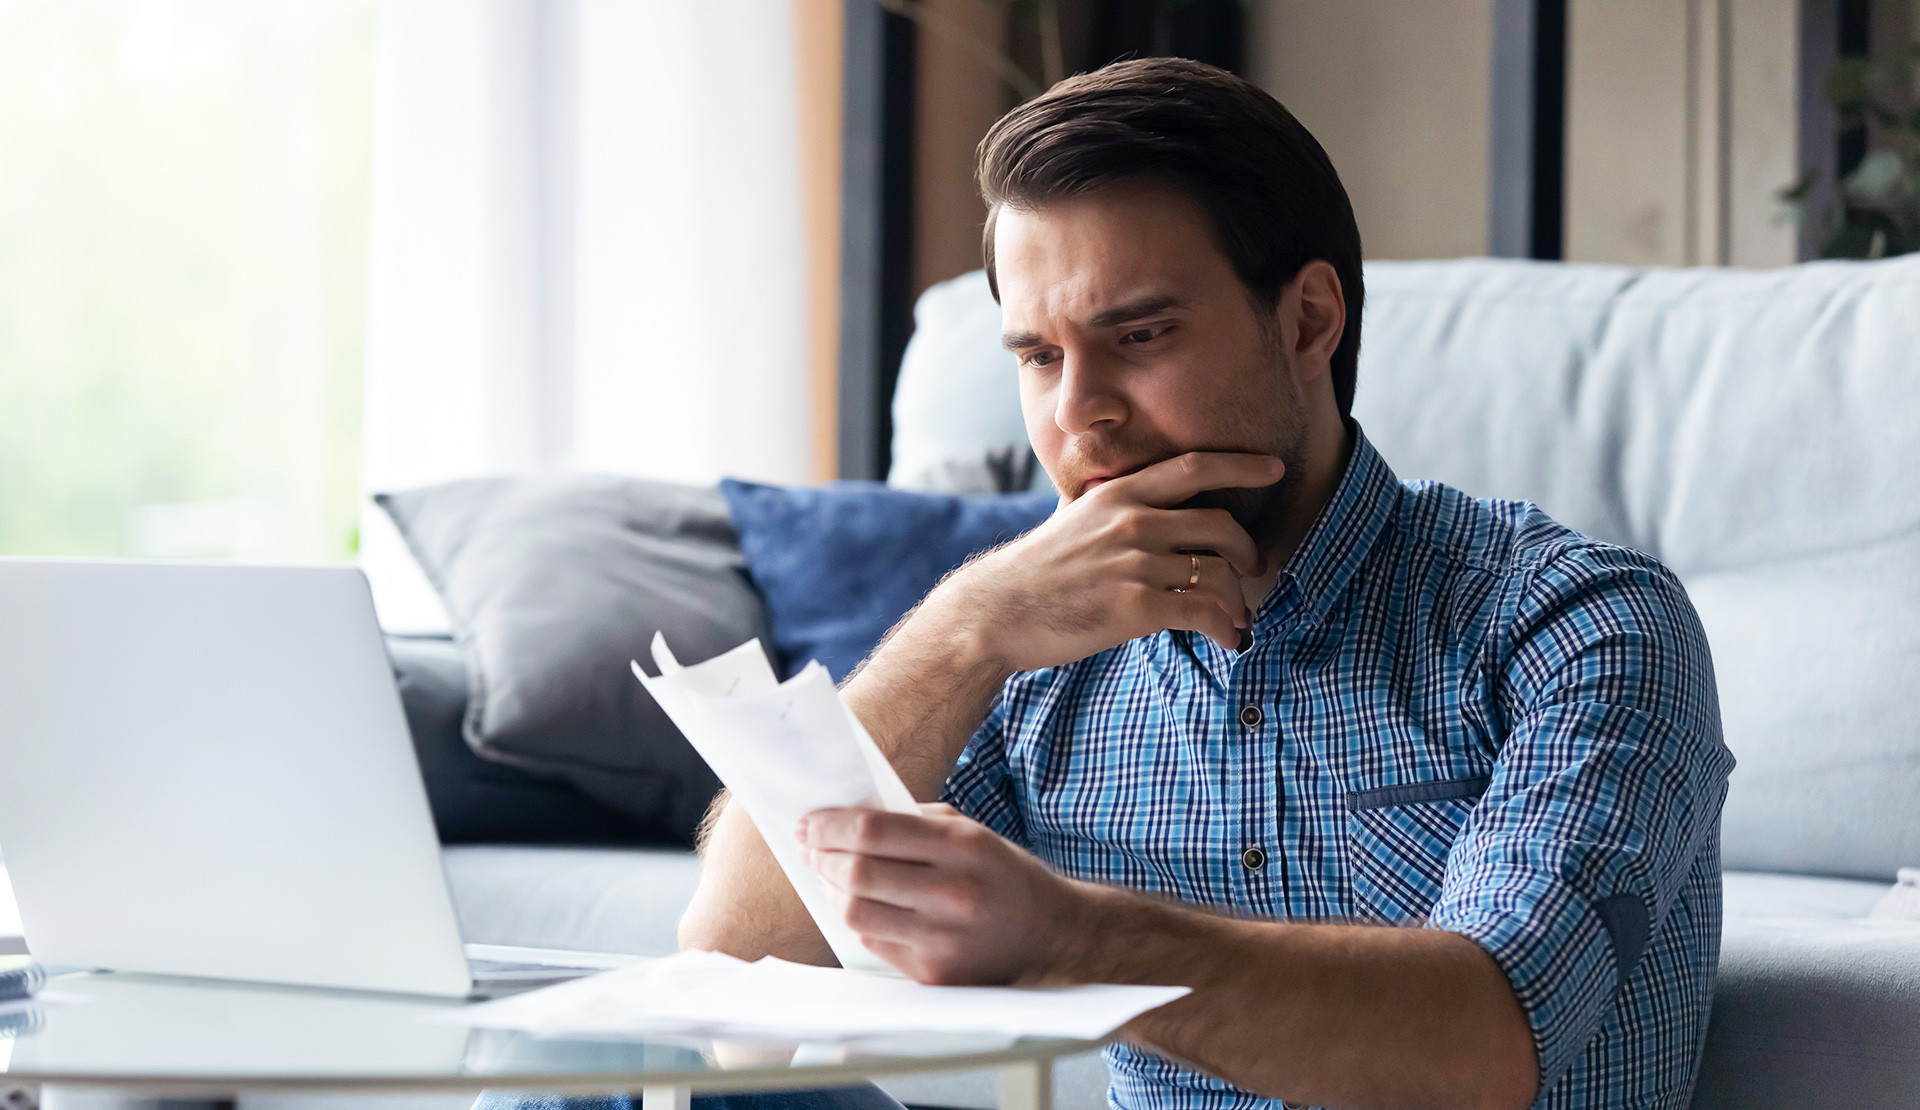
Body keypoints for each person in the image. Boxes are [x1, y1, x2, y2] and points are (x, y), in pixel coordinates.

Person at [493, 56, 1733, 1110]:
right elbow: (738, 956)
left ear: (1308, 322)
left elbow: (1488, 1041)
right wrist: (969, 628)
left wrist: (1073, 937)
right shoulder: (1044, 640)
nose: (1078, 416)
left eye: (1140, 338)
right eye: (1039, 356)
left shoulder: (1578, 623)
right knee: (618, 1072)